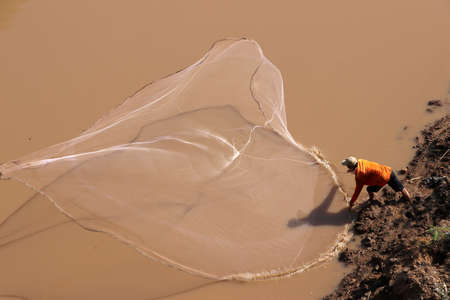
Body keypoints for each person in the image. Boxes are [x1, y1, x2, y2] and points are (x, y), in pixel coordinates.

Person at [341, 156, 411, 210]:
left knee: (369, 189)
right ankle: (410, 202)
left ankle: (371, 199)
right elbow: (364, 169)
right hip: (389, 171)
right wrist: (352, 171)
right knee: (402, 188)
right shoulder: (361, 161)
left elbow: (357, 191)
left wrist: (351, 203)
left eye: (347, 166)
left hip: (383, 179)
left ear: (351, 167)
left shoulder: (359, 176)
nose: (346, 168)